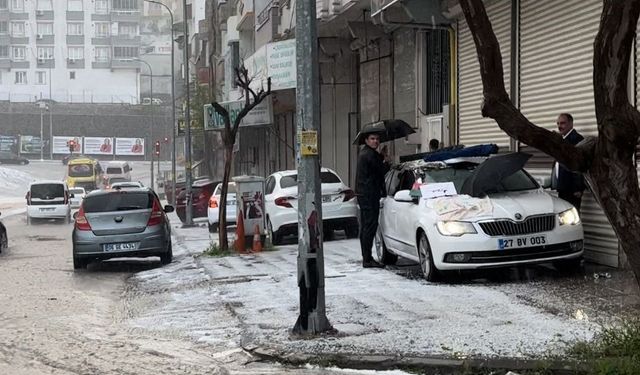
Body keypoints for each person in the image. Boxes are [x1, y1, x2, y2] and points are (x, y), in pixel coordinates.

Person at [355, 133, 390, 268]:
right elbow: (381, 170)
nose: (375, 141)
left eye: (377, 139)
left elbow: (375, 166)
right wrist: (386, 160)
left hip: (365, 194)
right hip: (369, 194)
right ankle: (367, 259)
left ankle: (367, 257)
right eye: (372, 139)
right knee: (369, 226)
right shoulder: (369, 155)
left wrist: (381, 156)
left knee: (366, 226)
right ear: (366, 140)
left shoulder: (367, 153)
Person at [551, 113, 585, 210]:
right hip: (563, 186)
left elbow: (579, 164)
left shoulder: (576, 140)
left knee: (573, 215)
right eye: (558, 123)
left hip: (571, 188)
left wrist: (578, 188)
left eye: (562, 123)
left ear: (571, 124)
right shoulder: (562, 139)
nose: (559, 126)